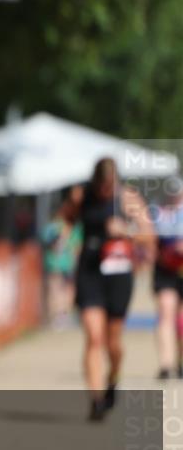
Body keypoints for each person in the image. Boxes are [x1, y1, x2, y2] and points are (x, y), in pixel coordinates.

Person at [74, 157, 152, 421]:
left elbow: (149, 234)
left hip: (118, 274)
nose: (106, 191)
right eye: (103, 186)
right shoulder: (81, 196)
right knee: (94, 337)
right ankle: (96, 400)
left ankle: (113, 376)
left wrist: (127, 230)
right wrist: (60, 235)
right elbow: (63, 220)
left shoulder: (128, 198)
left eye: (111, 186)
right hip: (90, 272)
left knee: (113, 342)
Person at [151, 177, 183, 380]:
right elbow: (147, 239)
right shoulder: (156, 212)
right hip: (165, 270)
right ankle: (166, 363)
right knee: (166, 313)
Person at [40, 185, 84, 327]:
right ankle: (54, 316)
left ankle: (64, 315)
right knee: (54, 289)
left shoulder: (76, 227)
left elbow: (78, 245)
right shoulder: (54, 226)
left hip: (69, 264)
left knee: (69, 290)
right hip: (54, 264)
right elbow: (45, 239)